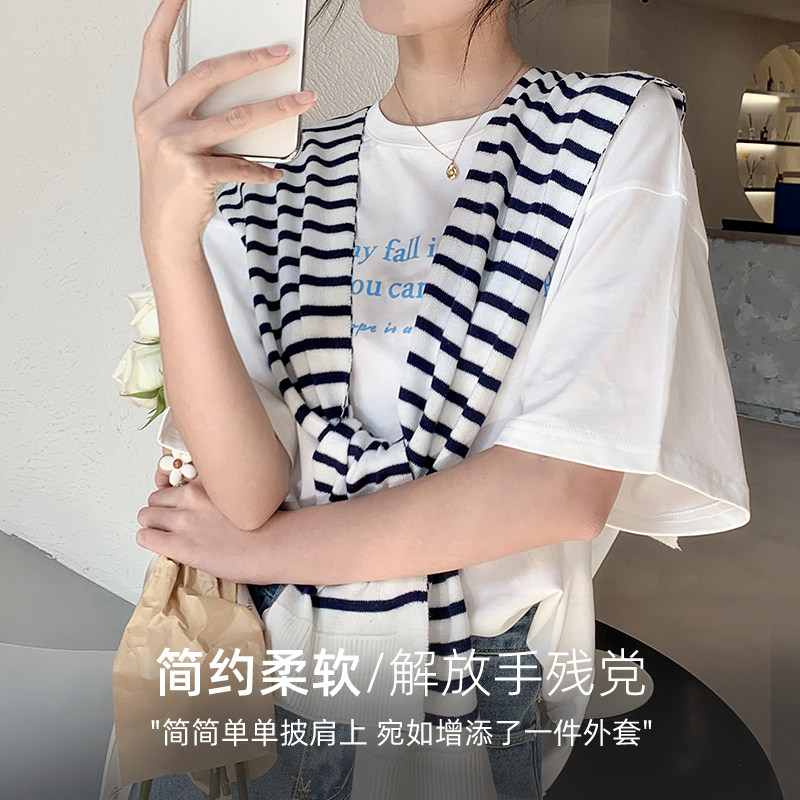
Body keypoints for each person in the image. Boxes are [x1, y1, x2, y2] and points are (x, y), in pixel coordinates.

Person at [128, 0, 751, 797]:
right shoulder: (283, 175)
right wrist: (168, 242)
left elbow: (558, 488)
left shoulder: (610, 131)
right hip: (282, 659)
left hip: (476, 680)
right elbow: (247, 494)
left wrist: (260, 552)